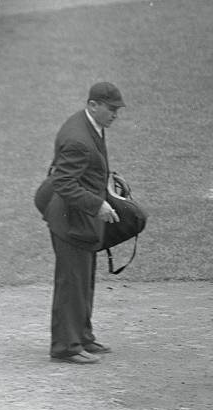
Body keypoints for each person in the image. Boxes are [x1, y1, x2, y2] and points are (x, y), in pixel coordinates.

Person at [34, 82, 125, 364]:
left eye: (117, 109)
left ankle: (82, 336)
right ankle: (65, 346)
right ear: (93, 105)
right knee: (72, 281)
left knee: (84, 279)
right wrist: (97, 204)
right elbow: (63, 182)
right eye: (111, 109)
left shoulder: (92, 126)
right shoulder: (78, 138)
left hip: (79, 217)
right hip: (69, 218)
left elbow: (85, 171)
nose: (115, 115)